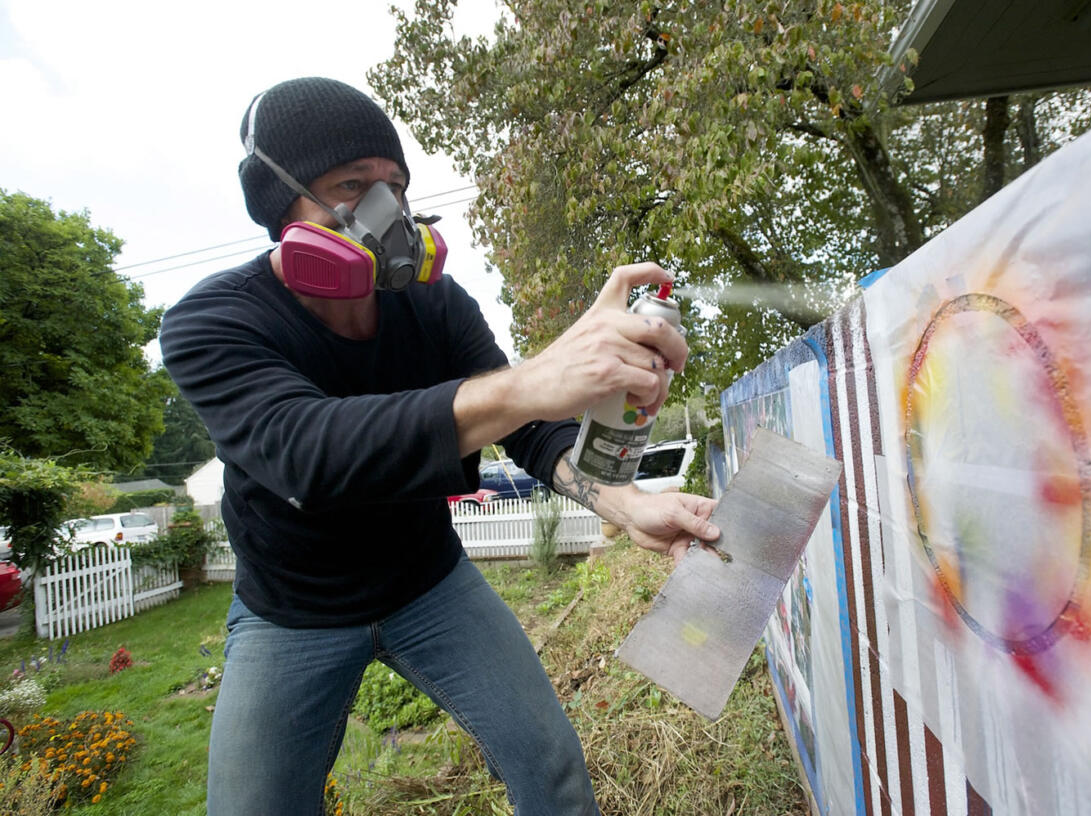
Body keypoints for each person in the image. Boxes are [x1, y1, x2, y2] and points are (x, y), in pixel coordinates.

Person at [159, 76, 721, 816]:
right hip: (291, 608)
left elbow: (528, 427)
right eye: (352, 185)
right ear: (279, 204)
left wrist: (623, 502)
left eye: (394, 185)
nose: (384, 212)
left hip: (429, 584)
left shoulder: (432, 302)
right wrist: (534, 379)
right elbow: (307, 453)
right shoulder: (210, 322)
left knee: (551, 769)